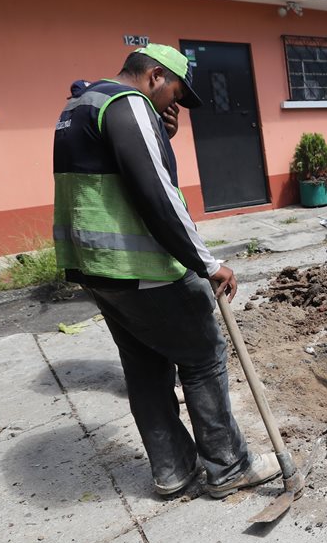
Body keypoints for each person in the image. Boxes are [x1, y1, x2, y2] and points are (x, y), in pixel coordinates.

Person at [53, 43, 279, 499]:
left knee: (146, 367)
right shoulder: (128, 103)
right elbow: (157, 195)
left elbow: (115, 176)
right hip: (146, 268)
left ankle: (174, 470)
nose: (176, 106)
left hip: (100, 270)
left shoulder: (81, 104)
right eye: (175, 94)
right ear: (154, 76)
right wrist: (209, 263)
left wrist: (161, 135)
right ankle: (228, 466)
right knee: (202, 358)